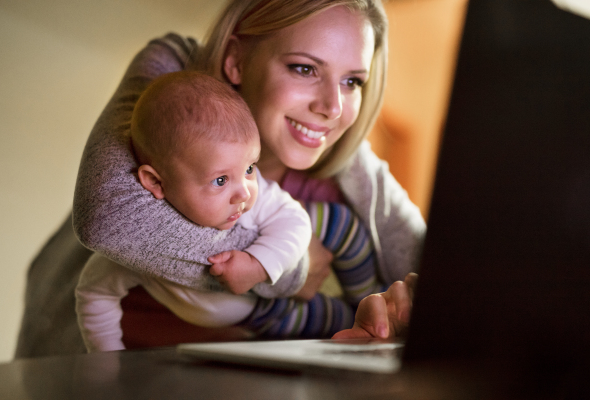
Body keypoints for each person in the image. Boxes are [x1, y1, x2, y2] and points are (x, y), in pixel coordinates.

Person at [15, 0, 426, 358]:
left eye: (353, 81)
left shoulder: (341, 185)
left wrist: (394, 321)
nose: (333, 107)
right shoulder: (171, 96)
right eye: (304, 68)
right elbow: (108, 219)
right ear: (235, 60)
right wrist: (287, 267)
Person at [76, 70, 384, 352]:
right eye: (220, 180)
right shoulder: (138, 244)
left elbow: (296, 222)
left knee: (341, 225)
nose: (244, 192)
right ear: (156, 182)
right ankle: (365, 321)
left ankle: (370, 296)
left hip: (277, 254)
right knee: (335, 322)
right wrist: (106, 363)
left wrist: (258, 265)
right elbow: (94, 294)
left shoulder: (252, 194)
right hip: (264, 313)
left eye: (250, 167)